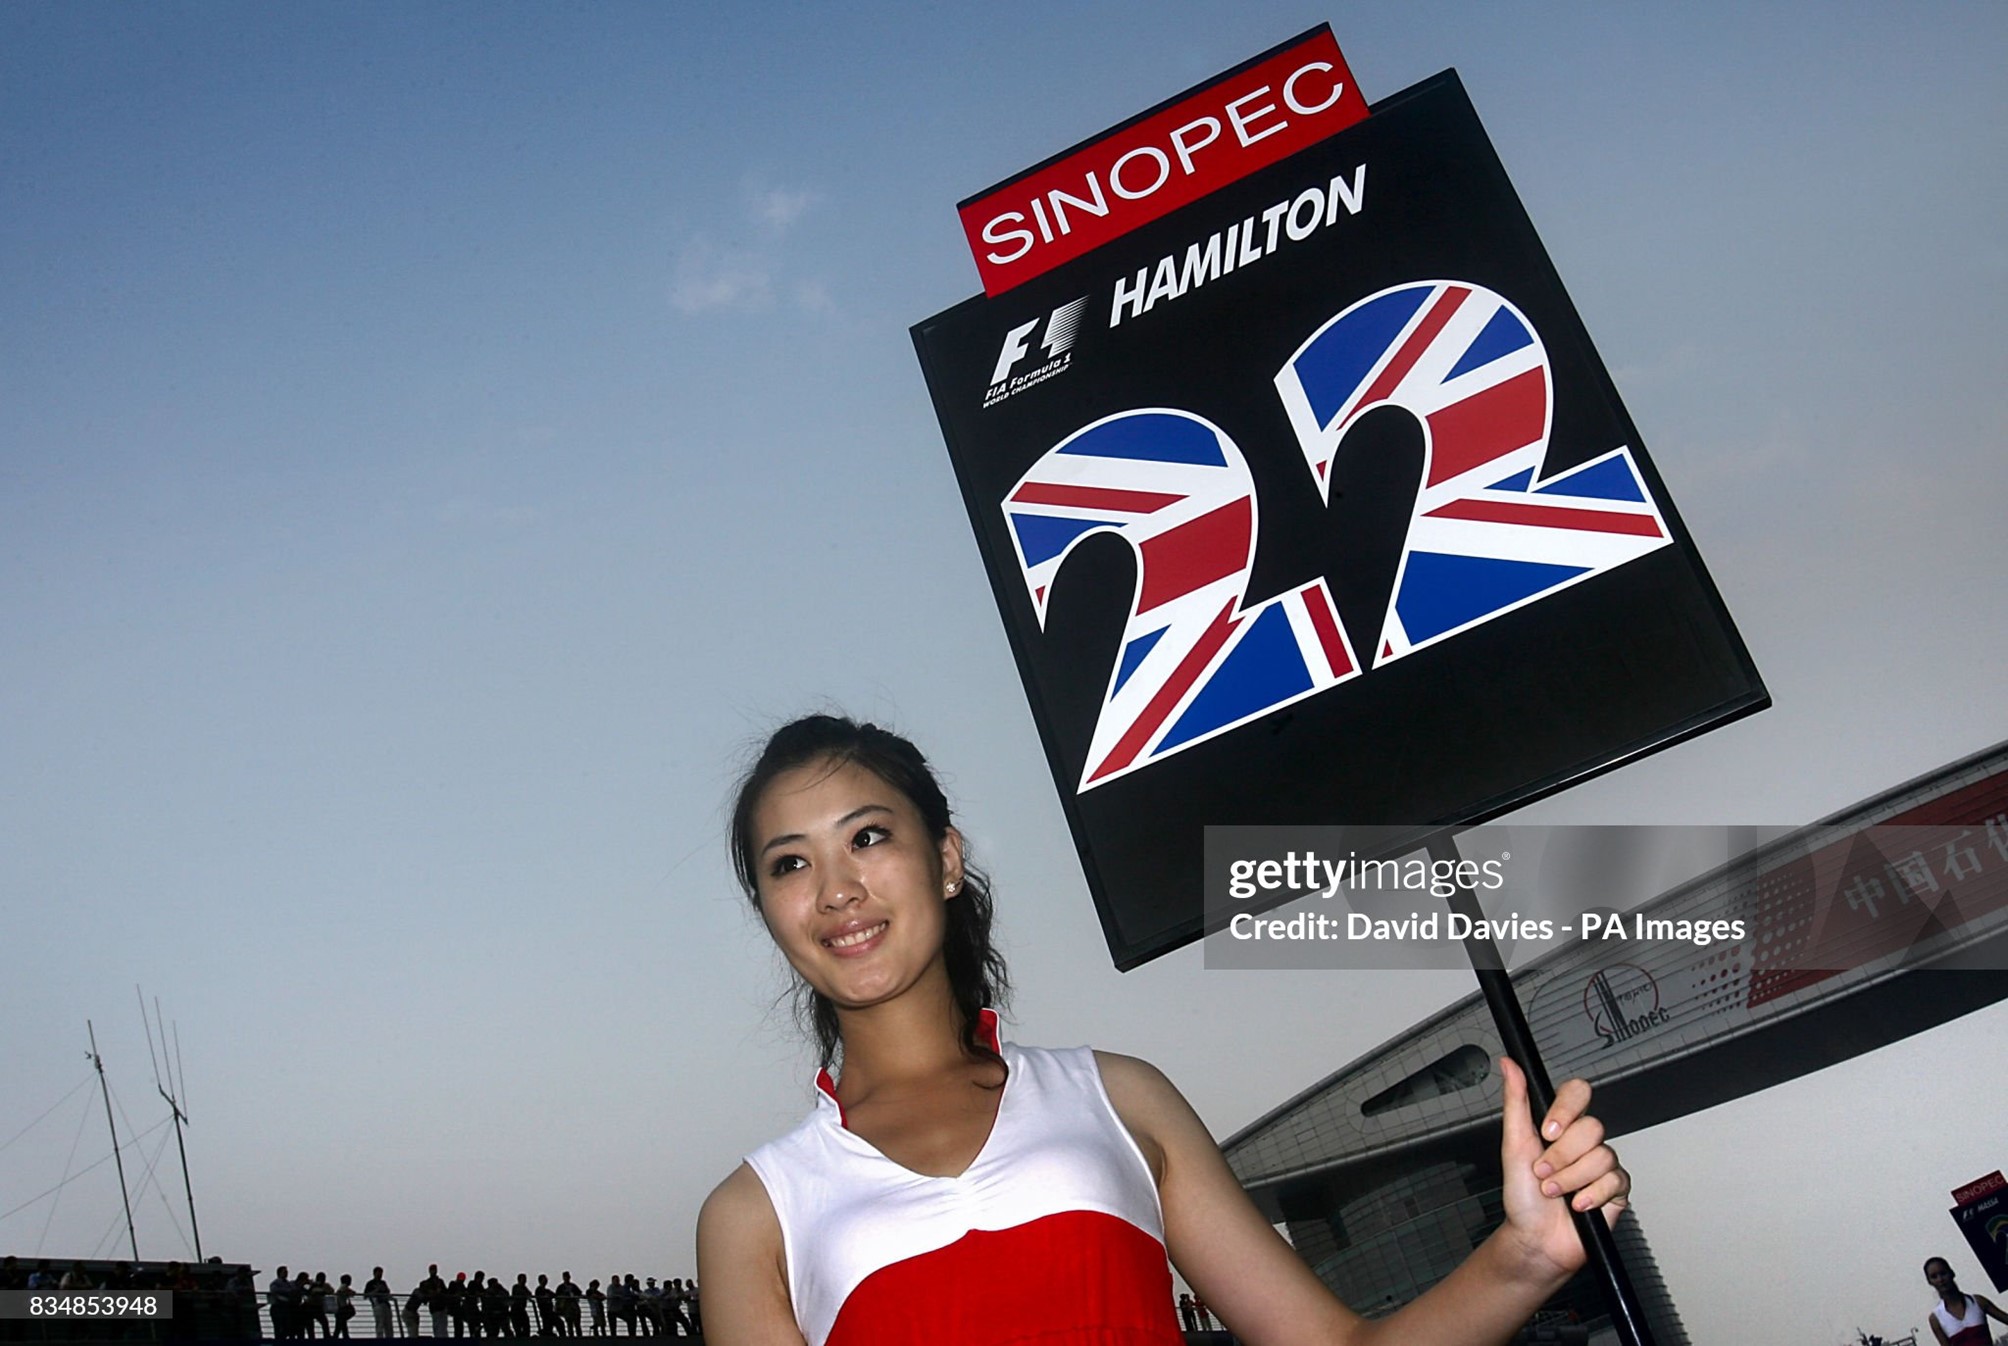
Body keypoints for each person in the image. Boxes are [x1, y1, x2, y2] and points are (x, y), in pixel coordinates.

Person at [696, 715, 1632, 1346]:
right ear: (770, 911)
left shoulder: (1118, 1096)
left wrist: (1527, 1256)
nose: (836, 891)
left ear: (944, 858)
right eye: (789, 864)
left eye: (867, 837)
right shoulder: (753, 1216)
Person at [1925, 1257, 2008, 1346]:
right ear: (1930, 1282)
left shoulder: (1978, 1302)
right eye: (1934, 1277)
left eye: (1943, 1273)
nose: (1940, 1279)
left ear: (1951, 1273)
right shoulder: (1936, 1318)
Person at [366, 1267, 397, 1339]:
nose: (380, 1275)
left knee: (388, 1324)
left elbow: (387, 1292)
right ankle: (379, 1338)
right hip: (377, 1304)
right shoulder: (370, 1283)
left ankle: (390, 1338)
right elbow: (366, 1295)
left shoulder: (383, 1283)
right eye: (378, 1273)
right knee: (380, 1322)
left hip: (386, 1304)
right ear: (374, 1273)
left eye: (381, 1273)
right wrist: (376, 1290)